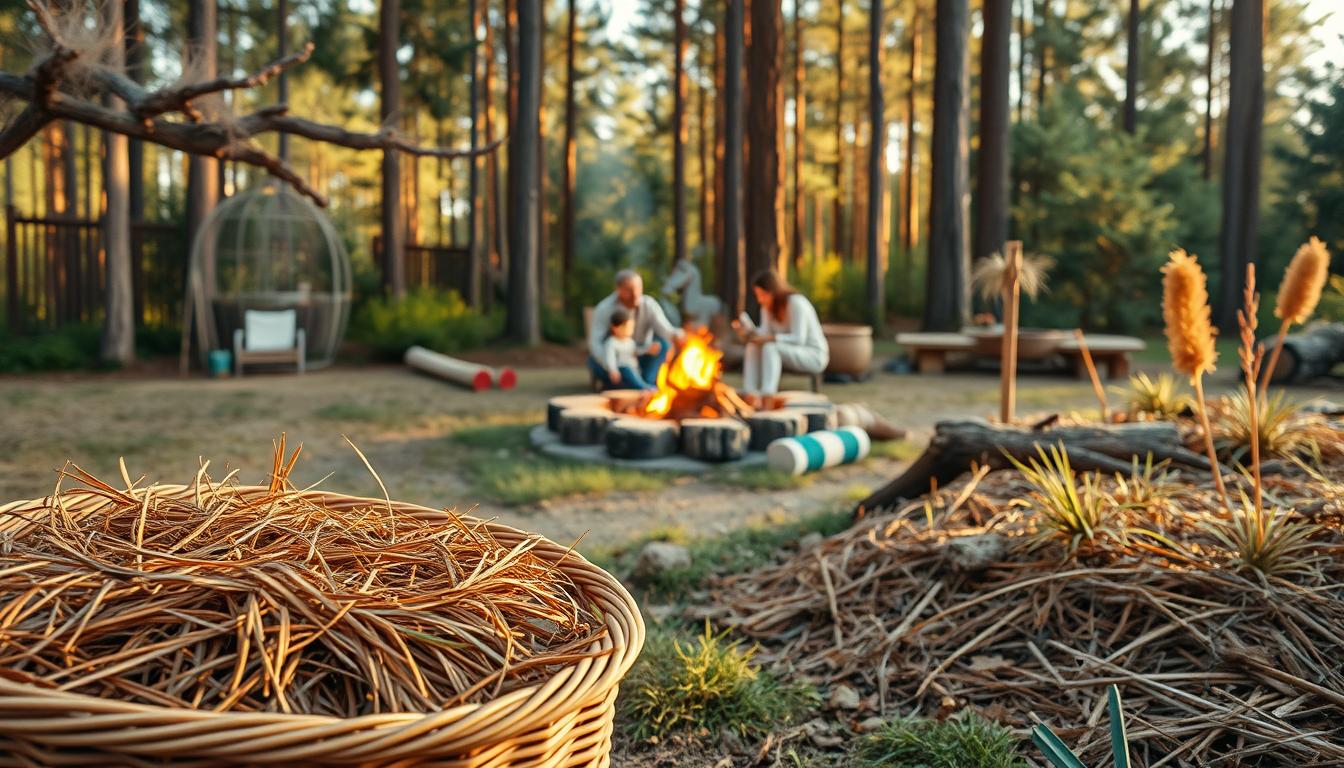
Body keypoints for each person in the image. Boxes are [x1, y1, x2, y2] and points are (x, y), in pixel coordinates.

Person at [732, 270, 829, 397]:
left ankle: (768, 393)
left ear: (773, 292)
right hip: (787, 351)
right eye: (757, 295)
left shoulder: (796, 303)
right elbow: (764, 333)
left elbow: (799, 339)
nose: (760, 300)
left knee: (770, 347)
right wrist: (748, 333)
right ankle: (750, 391)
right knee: (752, 346)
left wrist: (771, 338)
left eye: (762, 294)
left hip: (812, 354)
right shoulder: (766, 309)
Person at [588, 269, 685, 390]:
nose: (635, 294)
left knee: (663, 345)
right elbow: (595, 344)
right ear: (618, 289)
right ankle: (638, 386)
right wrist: (612, 365)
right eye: (629, 290)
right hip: (616, 358)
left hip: (639, 356)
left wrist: (679, 335)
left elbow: (665, 330)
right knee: (596, 362)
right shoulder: (604, 308)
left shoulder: (649, 304)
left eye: (638, 288)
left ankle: (643, 384)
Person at [601, 308, 657, 391]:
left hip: (634, 369)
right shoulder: (611, 343)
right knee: (627, 369)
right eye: (628, 327)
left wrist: (647, 350)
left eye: (632, 327)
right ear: (616, 328)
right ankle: (644, 387)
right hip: (621, 371)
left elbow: (635, 351)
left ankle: (641, 385)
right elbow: (610, 358)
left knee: (635, 371)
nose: (631, 330)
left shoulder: (630, 341)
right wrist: (613, 370)